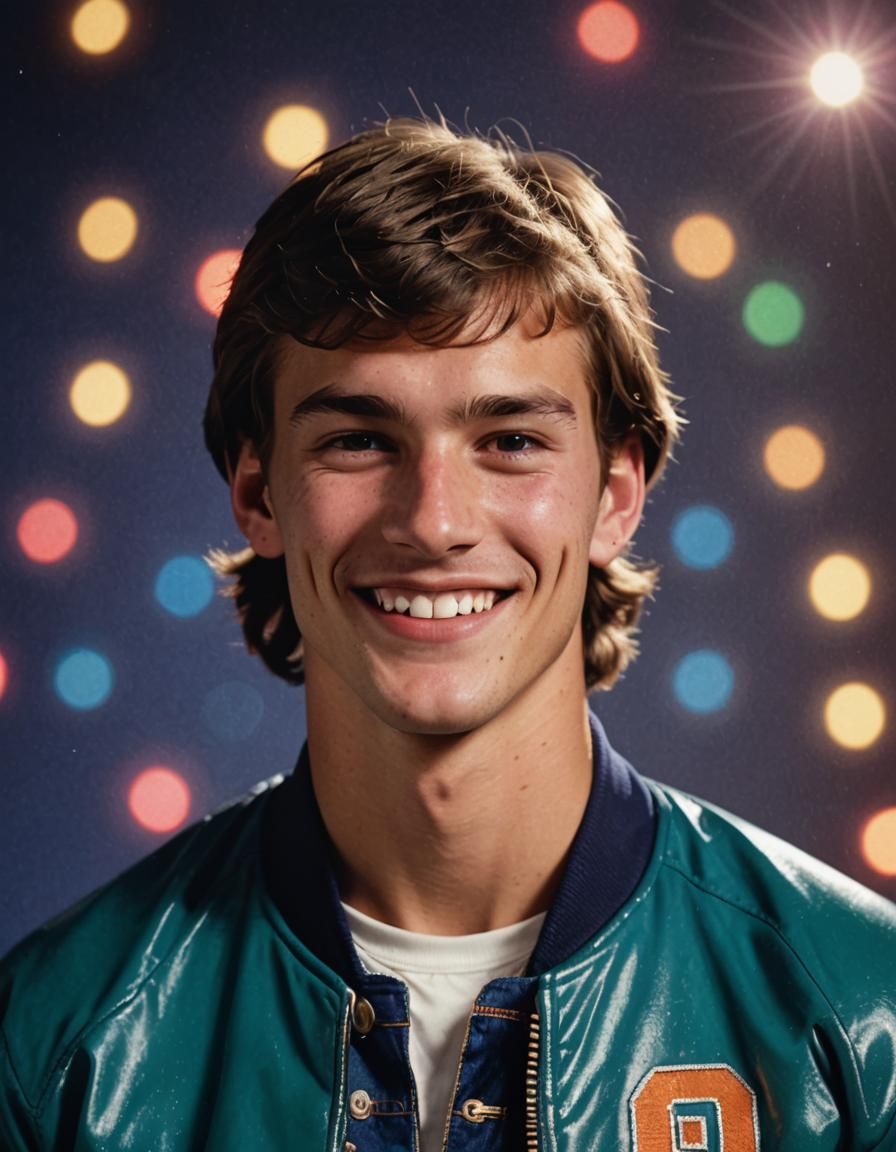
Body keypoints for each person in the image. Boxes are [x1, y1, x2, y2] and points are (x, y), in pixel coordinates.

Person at [2, 117, 895, 1152]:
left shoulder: (863, 1019)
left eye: (509, 440)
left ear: (615, 495)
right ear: (257, 492)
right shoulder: (55, 1048)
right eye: (357, 440)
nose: (432, 522)